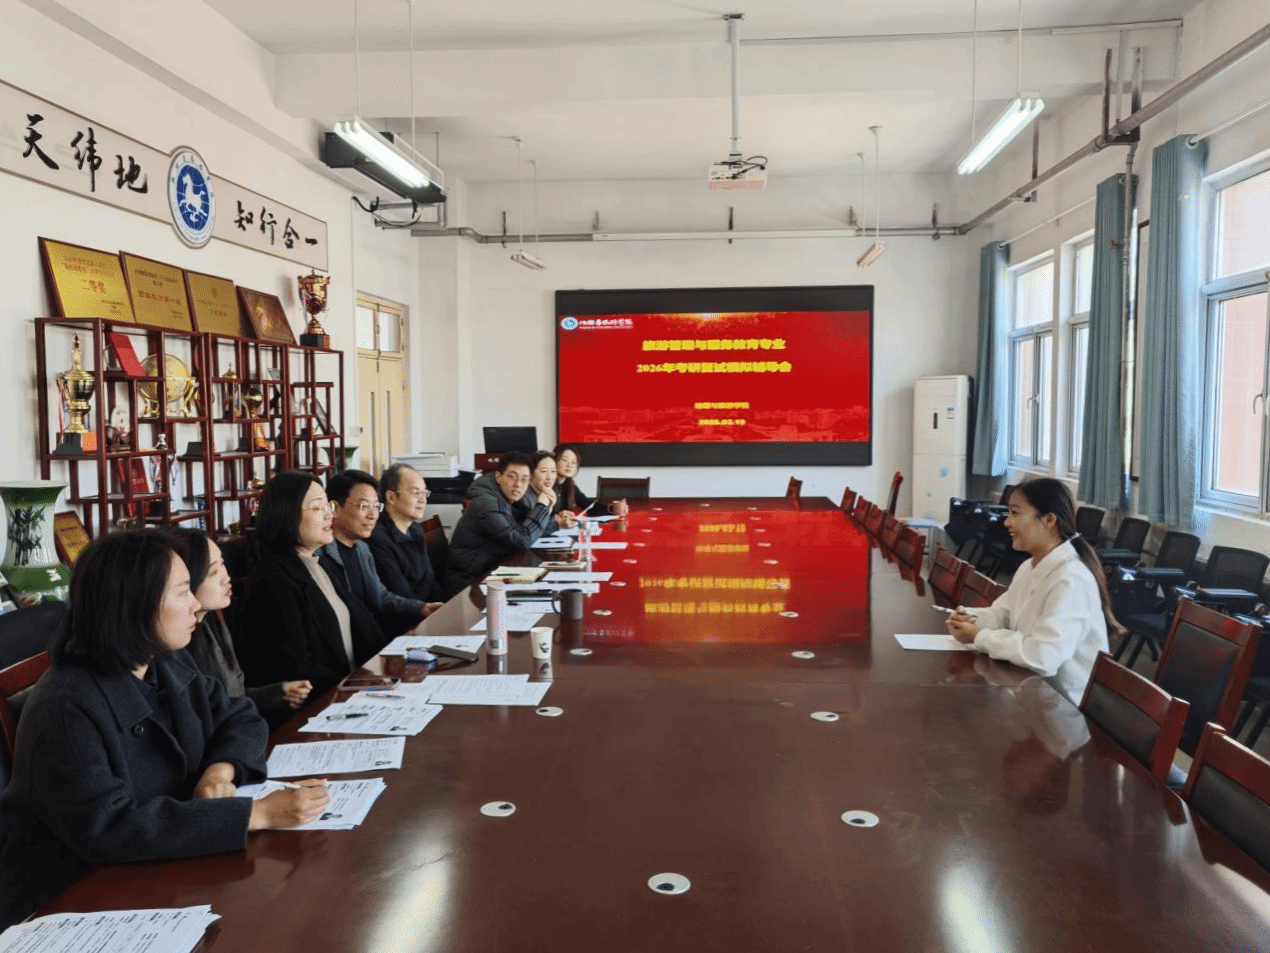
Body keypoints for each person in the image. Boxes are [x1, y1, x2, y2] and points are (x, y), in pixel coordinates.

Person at [0, 530, 328, 930]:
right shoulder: (65, 706)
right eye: (183, 592)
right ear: (136, 604)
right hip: (70, 903)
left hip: (158, 872)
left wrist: (220, 771)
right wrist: (254, 814)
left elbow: (240, 716)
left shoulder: (164, 662)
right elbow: (111, 829)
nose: (195, 605)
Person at [945, 478, 1121, 705]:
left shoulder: (1071, 580)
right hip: (1030, 692)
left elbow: (1043, 656)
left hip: (1065, 709)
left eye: (1015, 513)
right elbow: (1005, 614)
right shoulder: (1029, 567)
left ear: (1048, 520)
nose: (1007, 522)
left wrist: (979, 637)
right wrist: (971, 619)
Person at [238, 470, 385, 694]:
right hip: (326, 698)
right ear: (287, 514)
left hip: (356, 686)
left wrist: (394, 660)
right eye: (318, 508)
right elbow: (297, 667)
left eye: (328, 506)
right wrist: (357, 687)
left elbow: (365, 625)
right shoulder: (273, 579)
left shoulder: (323, 563)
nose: (330, 515)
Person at [166, 527, 311, 727]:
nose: (226, 577)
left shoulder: (213, 620)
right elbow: (215, 717)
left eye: (222, 564)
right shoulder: (175, 644)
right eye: (213, 572)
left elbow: (233, 698)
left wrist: (280, 693)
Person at [324, 469, 441, 637]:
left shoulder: (361, 549)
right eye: (364, 506)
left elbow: (380, 596)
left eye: (376, 506)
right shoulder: (322, 555)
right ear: (334, 508)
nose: (373, 515)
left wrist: (421, 608)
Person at [444, 451, 556, 596]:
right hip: (469, 582)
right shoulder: (487, 503)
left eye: (524, 479)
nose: (518, 484)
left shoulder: (507, 497)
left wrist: (548, 509)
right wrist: (541, 507)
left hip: (492, 572)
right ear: (498, 476)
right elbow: (522, 539)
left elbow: (532, 531)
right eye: (512, 477)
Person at [366, 464, 446, 616]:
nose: (423, 500)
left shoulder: (415, 530)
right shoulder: (377, 539)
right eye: (416, 493)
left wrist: (445, 608)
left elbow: (430, 581)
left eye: (424, 493)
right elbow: (401, 593)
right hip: (407, 617)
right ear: (391, 497)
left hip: (428, 612)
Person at [554, 443, 629, 518]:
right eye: (564, 460)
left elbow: (589, 506)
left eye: (573, 462)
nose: (569, 465)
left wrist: (612, 508)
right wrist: (556, 517)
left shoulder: (569, 485)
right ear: (554, 460)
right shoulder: (549, 484)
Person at [529, 450, 575, 529]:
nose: (549, 477)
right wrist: (558, 523)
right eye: (544, 471)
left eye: (553, 471)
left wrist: (557, 516)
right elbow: (531, 530)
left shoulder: (545, 493)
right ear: (531, 473)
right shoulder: (524, 498)